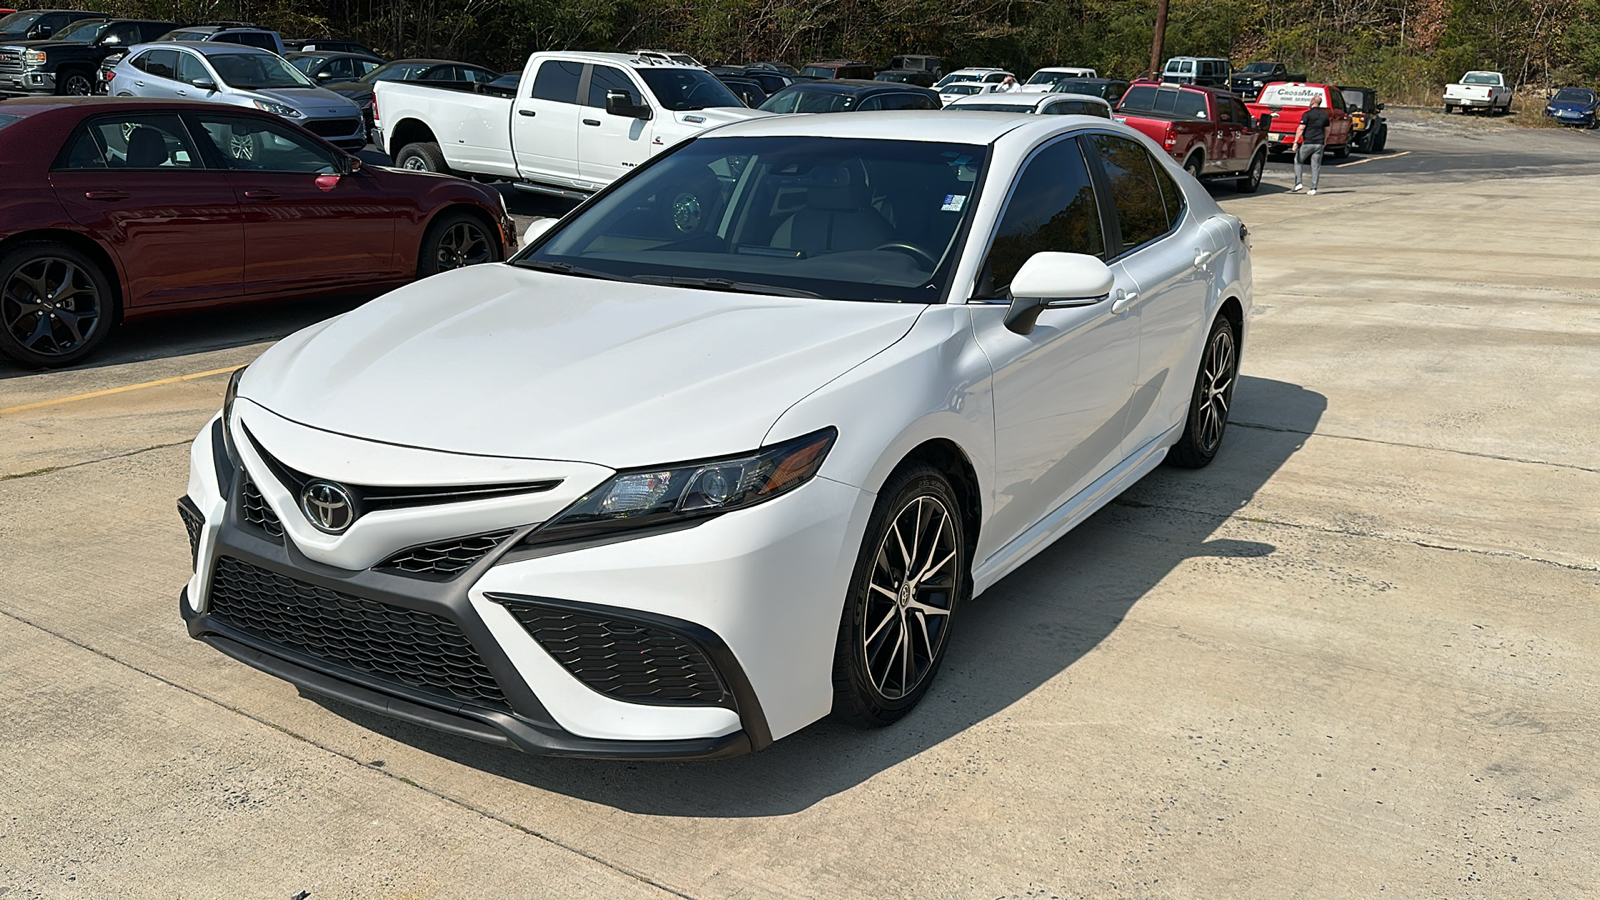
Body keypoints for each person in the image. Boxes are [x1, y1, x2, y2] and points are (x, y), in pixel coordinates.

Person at [1291, 95, 1331, 195]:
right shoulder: (1324, 115)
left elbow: (1301, 128)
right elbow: (1327, 129)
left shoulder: (1307, 114)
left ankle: (1299, 183)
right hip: (1319, 143)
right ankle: (1313, 188)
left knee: (1298, 160)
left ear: (1312, 101)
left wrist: (1295, 142)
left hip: (1308, 142)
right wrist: (1325, 140)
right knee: (1315, 166)